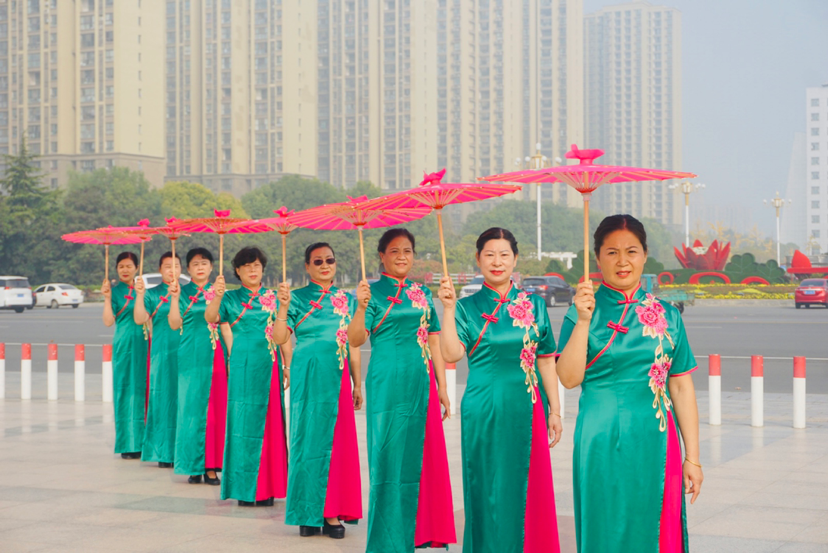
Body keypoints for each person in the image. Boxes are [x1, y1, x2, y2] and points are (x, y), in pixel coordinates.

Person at [556, 214, 703, 553]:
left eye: (631, 251)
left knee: (655, 527)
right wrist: (583, 321)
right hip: (600, 438)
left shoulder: (668, 315)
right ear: (598, 258)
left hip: (656, 439)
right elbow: (568, 378)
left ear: (645, 255)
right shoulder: (581, 311)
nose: (622, 261)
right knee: (606, 527)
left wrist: (693, 458)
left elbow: (681, 387)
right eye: (612, 252)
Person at [438, 227, 563, 553]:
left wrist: (555, 410)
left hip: (528, 406)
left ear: (515, 259)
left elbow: (546, 360)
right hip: (484, 408)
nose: (497, 262)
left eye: (504, 255)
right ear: (478, 259)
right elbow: (451, 353)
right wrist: (448, 309)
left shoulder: (535, 305)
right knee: (488, 486)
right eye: (490, 255)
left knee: (530, 487)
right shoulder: (466, 307)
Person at [347, 228, 456, 552]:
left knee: (424, 454)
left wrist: (442, 386)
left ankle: (420, 531)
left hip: (420, 379)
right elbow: (355, 339)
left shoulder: (421, 292)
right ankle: (387, 538)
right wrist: (361, 307)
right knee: (388, 454)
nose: (401, 256)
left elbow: (434, 340)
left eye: (407, 250)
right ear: (382, 256)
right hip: (387, 380)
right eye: (394, 251)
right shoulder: (370, 292)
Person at [272, 242, 364, 539]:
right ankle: (307, 512)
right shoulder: (295, 298)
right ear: (307, 266)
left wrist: (357, 382)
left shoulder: (348, 300)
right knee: (307, 440)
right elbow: (279, 337)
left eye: (329, 260)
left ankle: (332, 512)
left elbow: (353, 344)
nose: (325, 265)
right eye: (318, 261)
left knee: (337, 442)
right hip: (308, 372)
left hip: (337, 375)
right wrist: (282, 308)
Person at [204, 246, 292, 507]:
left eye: (257, 265)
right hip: (242, 365)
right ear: (238, 271)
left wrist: (287, 365)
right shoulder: (230, 298)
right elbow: (210, 317)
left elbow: (284, 335)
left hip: (270, 365)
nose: (252, 270)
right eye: (246, 266)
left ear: (263, 269)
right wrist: (217, 296)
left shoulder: (275, 297)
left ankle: (268, 488)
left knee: (270, 424)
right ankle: (244, 489)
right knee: (242, 425)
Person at [168, 247, 227, 486]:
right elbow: (174, 324)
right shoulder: (181, 292)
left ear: (212, 267)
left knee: (215, 409)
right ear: (188, 269)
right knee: (190, 408)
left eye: (204, 263)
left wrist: (232, 356)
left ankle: (211, 466)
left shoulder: (219, 292)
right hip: (190, 355)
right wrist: (174, 298)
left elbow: (226, 326)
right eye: (195, 264)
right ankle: (193, 464)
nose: (200, 267)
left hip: (216, 355)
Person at [134, 252, 182, 468]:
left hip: (185, 351)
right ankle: (163, 450)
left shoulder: (188, 293)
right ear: (160, 270)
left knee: (184, 401)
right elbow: (140, 319)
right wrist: (139, 295)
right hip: (162, 353)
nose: (172, 270)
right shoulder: (152, 294)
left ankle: (182, 450)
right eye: (167, 266)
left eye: (176, 266)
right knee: (163, 399)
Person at [102, 251, 147, 459]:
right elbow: (108, 321)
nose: (125, 270)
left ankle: (143, 441)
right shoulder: (114, 292)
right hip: (124, 345)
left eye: (129, 266)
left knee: (142, 391)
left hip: (144, 343)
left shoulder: (143, 290)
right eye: (121, 266)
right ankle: (127, 443)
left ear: (137, 268)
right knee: (124, 391)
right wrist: (107, 298)